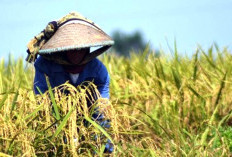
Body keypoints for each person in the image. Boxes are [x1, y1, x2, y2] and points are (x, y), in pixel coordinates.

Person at [26, 12, 114, 154]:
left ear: (87, 48)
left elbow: (101, 108)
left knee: (103, 129)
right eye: (72, 49)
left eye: (80, 49)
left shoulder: (98, 71)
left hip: (89, 115)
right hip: (57, 117)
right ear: (63, 49)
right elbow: (42, 101)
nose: (76, 53)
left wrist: (96, 137)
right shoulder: (44, 66)